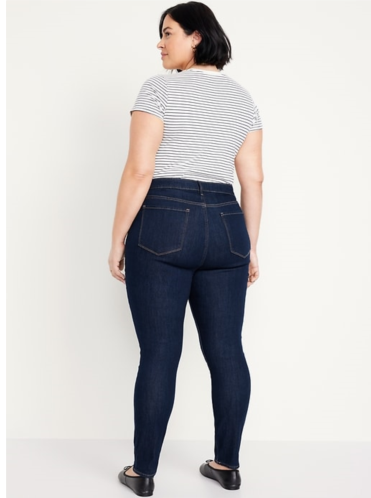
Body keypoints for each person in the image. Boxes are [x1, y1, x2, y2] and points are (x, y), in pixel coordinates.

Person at [109, 2, 263, 496]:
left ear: (196, 37)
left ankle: (143, 473)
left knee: (159, 354)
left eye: (168, 32)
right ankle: (227, 465)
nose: (160, 42)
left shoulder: (159, 89)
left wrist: (117, 237)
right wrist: (250, 247)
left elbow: (140, 169)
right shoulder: (243, 99)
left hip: (165, 217)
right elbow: (253, 179)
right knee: (227, 350)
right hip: (227, 222)